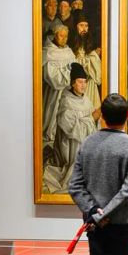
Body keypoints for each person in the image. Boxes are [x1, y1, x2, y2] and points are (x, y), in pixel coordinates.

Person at [68, 93, 128, 255]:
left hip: (94, 223)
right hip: (122, 223)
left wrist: (94, 211)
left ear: (101, 116)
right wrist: (103, 213)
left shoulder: (88, 143)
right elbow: (127, 189)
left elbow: (74, 185)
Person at [43, 63, 101, 193]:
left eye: (85, 82)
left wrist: (95, 119)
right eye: (80, 82)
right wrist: (92, 118)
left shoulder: (85, 99)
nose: (84, 86)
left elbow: (92, 123)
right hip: (68, 145)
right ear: (73, 83)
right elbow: (71, 129)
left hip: (83, 139)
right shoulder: (66, 101)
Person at [42, 24, 76, 151]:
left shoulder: (69, 51)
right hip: (54, 92)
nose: (64, 39)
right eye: (61, 36)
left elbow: (75, 68)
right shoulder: (48, 52)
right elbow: (51, 76)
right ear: (54, 36)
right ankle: (51, 137)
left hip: (68, 91)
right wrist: (68, 72)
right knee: (53, 114)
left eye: (66, 36)